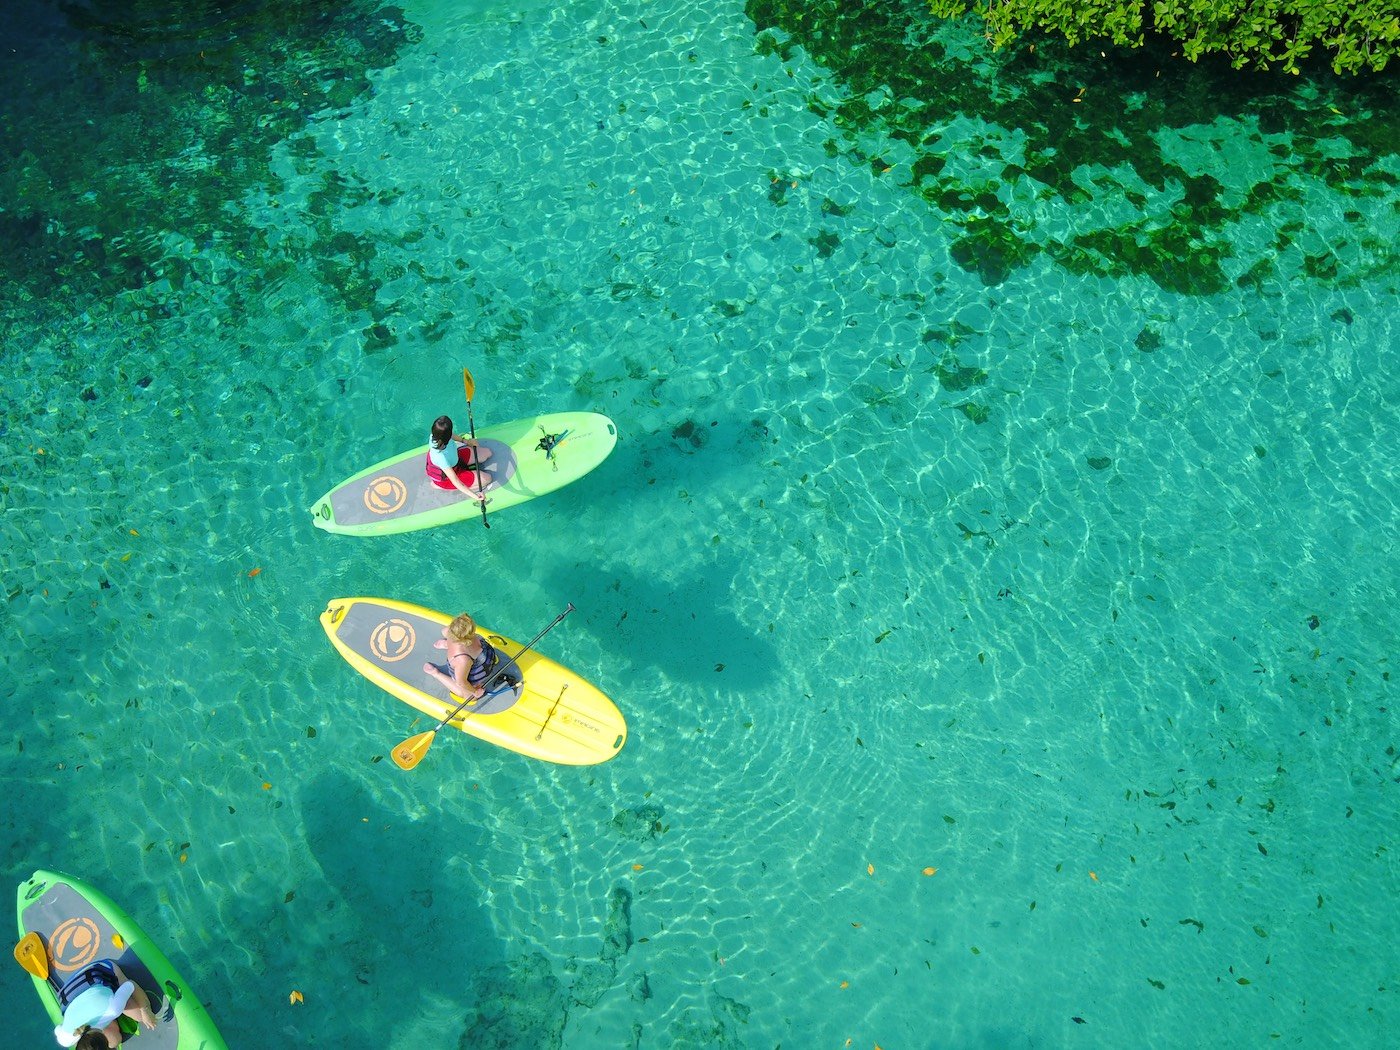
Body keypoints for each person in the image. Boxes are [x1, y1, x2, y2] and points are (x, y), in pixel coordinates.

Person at [52, 959, 158, 1048]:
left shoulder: (114, 1009)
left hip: (100, 970)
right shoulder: (66, 1039)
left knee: (140, 1016)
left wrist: (146, 1010)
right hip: (74, 990)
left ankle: (117, 996)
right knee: (114, 1040)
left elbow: (130, 985)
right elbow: (58, 1029)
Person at [423, 613, 517, 701]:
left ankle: (446, 644)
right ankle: (435, 673)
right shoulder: (462, 660)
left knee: (450, 639)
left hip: (469, 654)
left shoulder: (452, 631)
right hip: (464, 672)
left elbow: (444, 631)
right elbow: (461, 682)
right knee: (470, 697)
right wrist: (475, 691)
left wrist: (448, 642)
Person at [425, 415, 493, 501]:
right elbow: (456, 481)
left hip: (456, 462)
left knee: (487, 453)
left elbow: (451, 435)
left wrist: (466, 441)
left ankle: (466, 472)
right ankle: (438, 485)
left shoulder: (437, 434)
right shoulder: (440, 457)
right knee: (487, 478)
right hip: (447, 478)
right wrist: (476, 496)